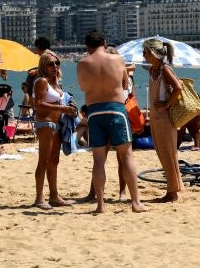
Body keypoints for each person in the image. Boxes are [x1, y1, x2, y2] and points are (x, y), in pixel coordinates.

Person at [77, 30, 146, 213]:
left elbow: (84, 86)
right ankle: (135, 202)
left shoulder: (83, 63)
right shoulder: (117, 60)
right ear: (105, 43)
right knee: (126, 156)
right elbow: (124, 83)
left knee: (98, 160)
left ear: (87, 46)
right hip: (115, 109)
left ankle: (100, 204)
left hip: (94, 111)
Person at [31, 53, 77, 210]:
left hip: (58, 124)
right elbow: (38, 104)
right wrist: (62, 108)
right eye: (51, 64)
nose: (55, 66)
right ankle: (39, 198)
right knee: (43, 161)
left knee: (54, 161)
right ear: (43, 65)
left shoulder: (56, 83)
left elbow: (59, 100)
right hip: (45, 124)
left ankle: (54, 195)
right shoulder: (41, 81)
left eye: (57, 63)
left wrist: (69, 103)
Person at [144, 37, 183, 203]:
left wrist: (167, 104)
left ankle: (172, 192)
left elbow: (178, 88)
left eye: (146, 52)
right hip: (155, 117)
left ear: (154, 53)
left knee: (168, 154)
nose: (144, 55)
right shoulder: (153, 70)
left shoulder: (165, 69)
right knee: (163, 153)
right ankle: (174, 187)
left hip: (164, 118)